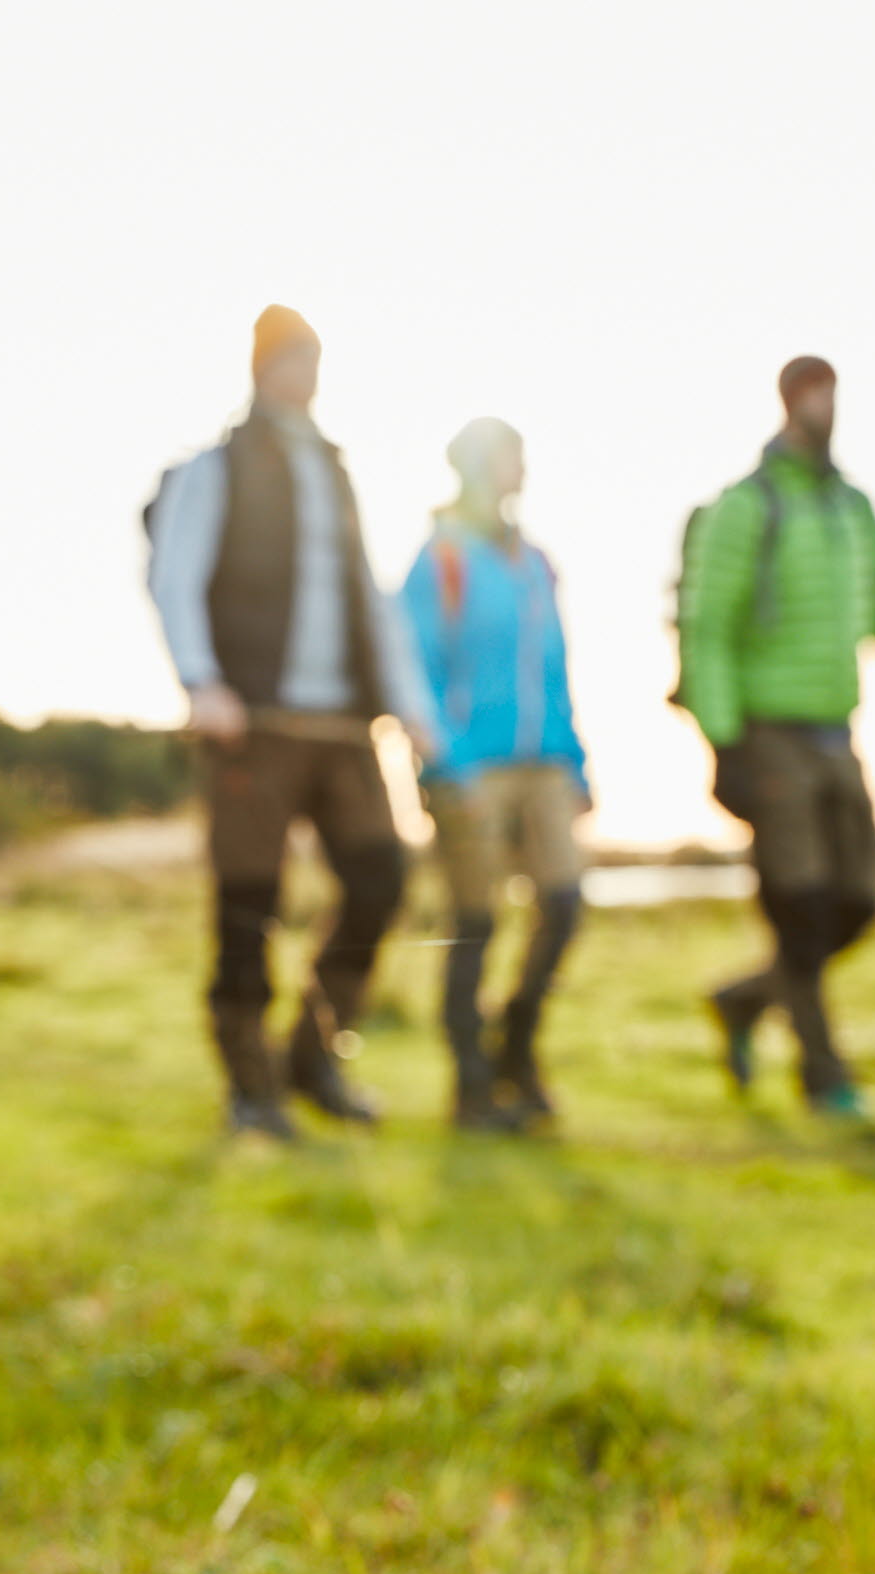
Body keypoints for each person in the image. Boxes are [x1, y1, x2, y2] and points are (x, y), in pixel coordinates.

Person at [147, 306, 440, 1138]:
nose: (303, 370)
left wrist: (411, 708)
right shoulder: (219, 466)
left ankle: (314, 1057)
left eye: (313, 355)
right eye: (290, 356)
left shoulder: (337, 469)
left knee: (382, 879)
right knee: (249, 902)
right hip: (255, 722)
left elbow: (372, 598)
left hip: (345, 727)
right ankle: (250, 1089)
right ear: (259, 366)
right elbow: (176, 574)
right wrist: (201, 681)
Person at [676, 356, 875, 1117]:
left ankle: (743, 999)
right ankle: (823, 1074)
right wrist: (723, 744)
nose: (822, 404)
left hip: (837, 732)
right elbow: (708, 630)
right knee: (797, 905)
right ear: (787, 402)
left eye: (831, 389)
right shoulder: (748, 507)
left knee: (858, 899)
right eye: (809, 391)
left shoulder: (851, 509)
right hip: (768, 734)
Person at [398, 419, 589, 1131]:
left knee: (564, 904)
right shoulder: (439, 560)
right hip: (468, 768)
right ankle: (471, 1087)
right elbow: (413, 669)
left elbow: (555, 667)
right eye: (512, 455)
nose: (523, 468)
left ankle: (517, 1046)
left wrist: (575, 762)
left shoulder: (534, 561)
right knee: (474, 923)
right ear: (478, 466)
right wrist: (447, 762)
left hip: (543, 762)